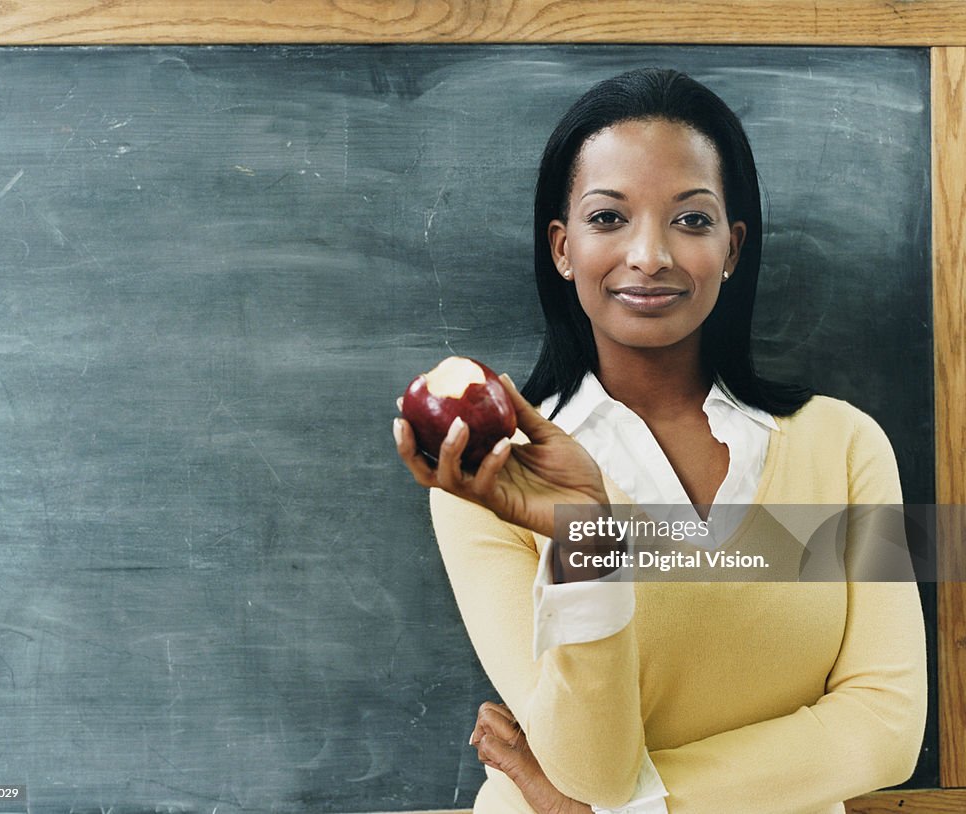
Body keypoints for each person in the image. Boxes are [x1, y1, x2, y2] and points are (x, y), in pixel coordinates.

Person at [393, 68, 927, 814]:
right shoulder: (491, 482)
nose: (651, 255)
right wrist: (588, 534)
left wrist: (637, 807)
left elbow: (888, 728)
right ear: (562, 247)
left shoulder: (846, 449)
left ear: (733, 247)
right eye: (609, 218)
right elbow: (595, 772)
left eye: (693, 219)